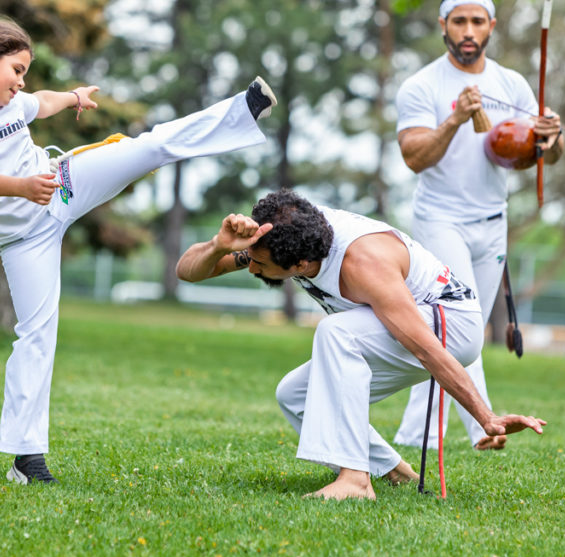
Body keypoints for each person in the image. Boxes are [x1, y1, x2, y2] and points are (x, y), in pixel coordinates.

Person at [0, 18, 276, 485]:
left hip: (61, 186)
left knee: (149, 147)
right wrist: (21, 187)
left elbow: (44, 103)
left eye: (25, 73)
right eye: (16, 70)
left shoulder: (14, 102)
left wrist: (74, 97)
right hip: (22, 238)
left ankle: (241, 111)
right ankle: (26, 461)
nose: (20, 83)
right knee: (36, 336)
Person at [176, 188, 546, 500]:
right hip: (422, 327)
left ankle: (355, 480)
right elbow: (188, 271)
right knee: (295, 394)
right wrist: (216, 245)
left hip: (453, 325)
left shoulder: (363, 263)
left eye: (258, 264)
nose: (252, 269)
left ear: (301, 264)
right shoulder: (277, 238)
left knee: (336, 332)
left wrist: (486, 418)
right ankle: (394, 470)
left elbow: (426, 348)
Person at [393, 0, 564, 452]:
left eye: (477, 21)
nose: (468, 31)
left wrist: (551, 134)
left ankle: (448, 432)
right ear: (444, 26)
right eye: (458, 21)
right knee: (457, 321)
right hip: (439, 219)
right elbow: (413, 158)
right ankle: (457, 430)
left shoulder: (511, 84)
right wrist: (454, 120)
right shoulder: (422, 86)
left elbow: (544, 151)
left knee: (461, 330)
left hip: (493, 223)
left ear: (491, 26)